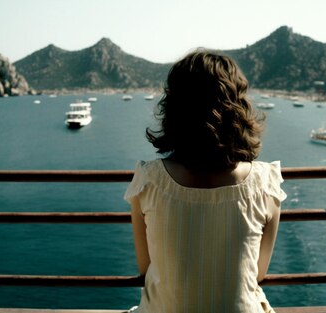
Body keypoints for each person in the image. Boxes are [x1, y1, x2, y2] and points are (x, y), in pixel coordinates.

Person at [123, 49, 287, 313]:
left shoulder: (149, 181)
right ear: (237, 108)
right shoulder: (265, 185)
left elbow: (145, 268)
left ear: (175, 109)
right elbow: (258, 273)